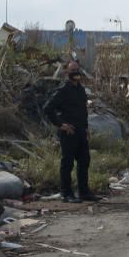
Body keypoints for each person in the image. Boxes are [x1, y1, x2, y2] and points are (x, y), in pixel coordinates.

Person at [44, 60, 97, 203]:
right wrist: (61, 124)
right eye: (72, 70)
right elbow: (48, 108)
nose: (75, 73)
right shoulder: (62, 90)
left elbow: (83, 110)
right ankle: (66, 194)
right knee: (67, 163)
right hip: (68, 132)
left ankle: (84, 192)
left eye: (77, 70)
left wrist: (86, 128)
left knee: (84, 162)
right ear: (67, 72)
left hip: (81, 131)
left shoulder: (80, 89)